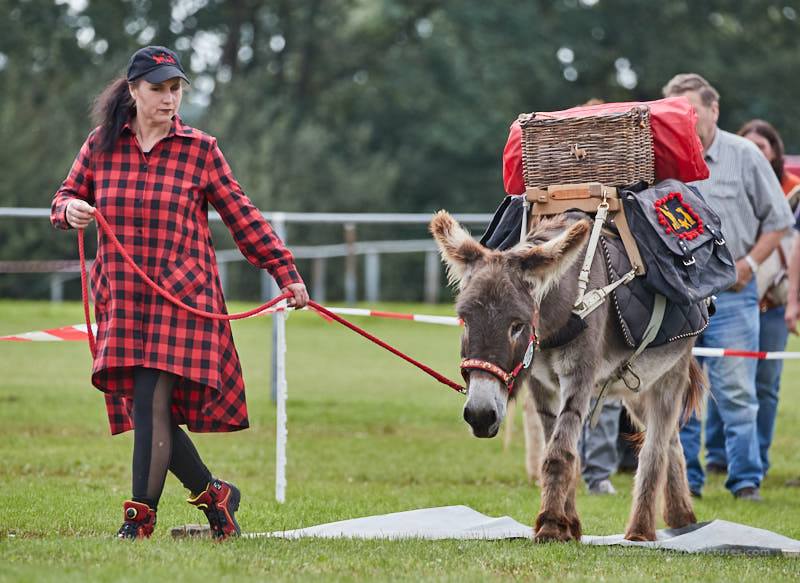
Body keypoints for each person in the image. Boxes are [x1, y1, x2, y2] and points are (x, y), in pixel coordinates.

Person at [50, 46, 309, 540]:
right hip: (123, 298)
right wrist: (71, 211)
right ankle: (217, 498)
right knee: (152, 410)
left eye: (176, 89)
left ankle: (138, 521)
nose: (170, 99)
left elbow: (243, 217)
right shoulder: (100, 146)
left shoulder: (200, 149)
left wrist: (285, 271)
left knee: (149, 399)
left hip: (182, 300)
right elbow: (63, 198)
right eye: (158, 89)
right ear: (132, 90)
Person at [663, 74, 793, 501]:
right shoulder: (662, 160)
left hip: (734, 298)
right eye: (677, 111)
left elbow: (779, 221)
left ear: (713, 110)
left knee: (738, 392)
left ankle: (745, 481)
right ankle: (687, 482)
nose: (686, 118)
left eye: (692, 110)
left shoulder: (744, 156)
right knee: (679, 394)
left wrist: (750, 264)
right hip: (677, 298)